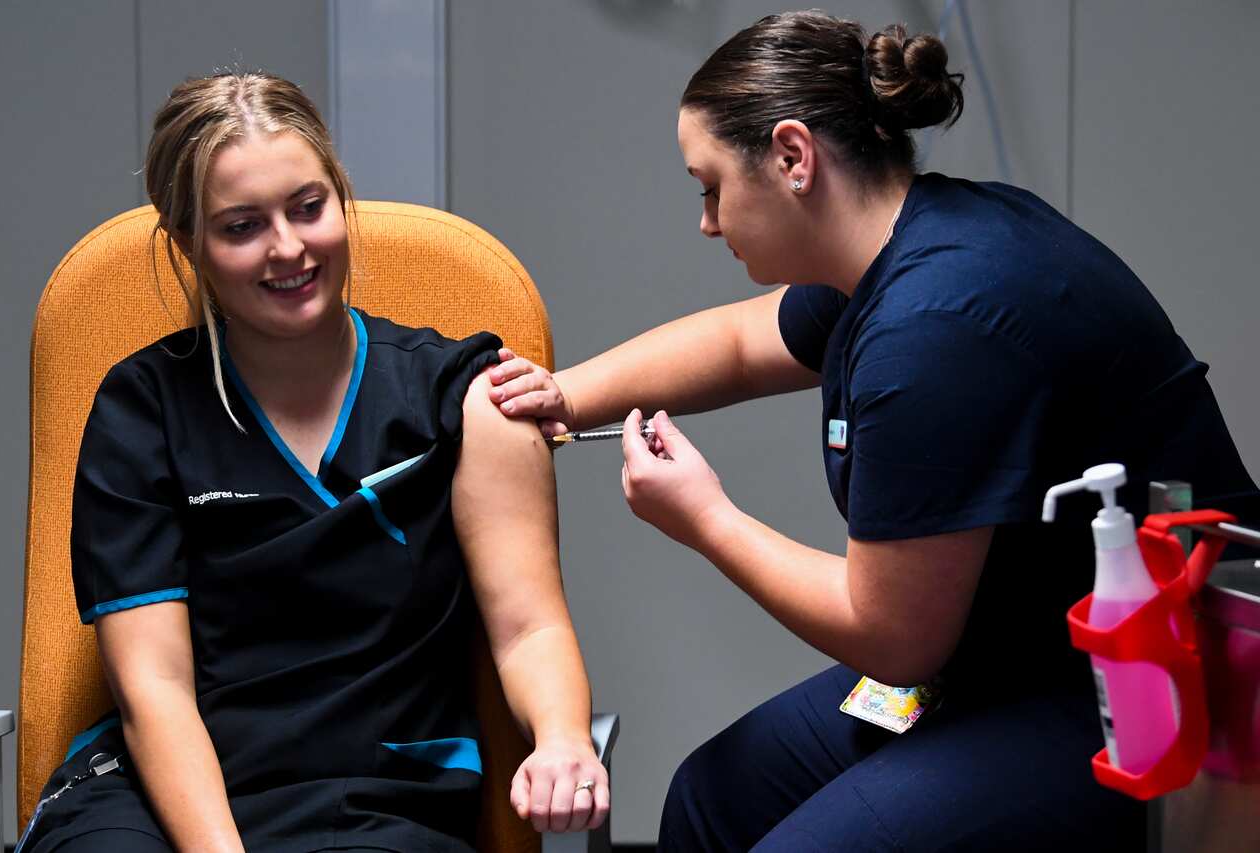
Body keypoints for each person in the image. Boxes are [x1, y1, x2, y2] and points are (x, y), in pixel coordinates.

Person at [488, 12, 1257, 851]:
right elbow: (739, 343)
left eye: (711, 187)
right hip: (1008, 645)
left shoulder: (936, 323)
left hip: (1144, 682)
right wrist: (560, 396)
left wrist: (705, 519)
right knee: (711, 799)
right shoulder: (905, 245)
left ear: (793, 157)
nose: (707, 220)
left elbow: (894, 638)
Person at [20, 72, 608, 853]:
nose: (289, 248)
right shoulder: (143, 411)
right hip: (167, 786)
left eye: (308, 207)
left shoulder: (462, 399)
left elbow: (529, 627)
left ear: (340, 195)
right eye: (241, 226)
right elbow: (154, 688)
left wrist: (563, 735)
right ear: (188, 243)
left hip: (372, 794)